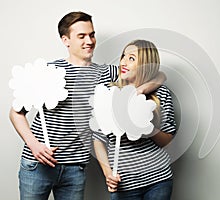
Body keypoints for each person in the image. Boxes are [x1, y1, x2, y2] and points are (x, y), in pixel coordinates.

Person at [9, 12, 166, 200]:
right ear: (65, 40)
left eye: (92, 35)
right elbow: (15, 113)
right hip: (37, 164)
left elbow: (158, 76)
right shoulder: (49, 70)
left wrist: (139, 92)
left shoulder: (106, 73)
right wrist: (34, 146)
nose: (89, 41)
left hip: (76, 169)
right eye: (81, 36)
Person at [93, 39, 177, 200]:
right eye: (123, 56)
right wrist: (108, 173)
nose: (124, 62)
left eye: (131, 58)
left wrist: (147, 126)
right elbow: (98, 140)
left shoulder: (162, 94)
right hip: (124, 184)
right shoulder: (109, 94)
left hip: (158, 180)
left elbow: (167, 139)